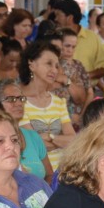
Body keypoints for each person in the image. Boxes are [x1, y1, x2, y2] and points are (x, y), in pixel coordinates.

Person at [18, 41, 76, 170]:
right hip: (37, 173)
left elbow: (73, 140)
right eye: (49, 64)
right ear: (31, 64)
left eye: (56, 66)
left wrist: (50, 137)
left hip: (63, 172)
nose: (54, 70)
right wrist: (61, 142)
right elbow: (32, 145)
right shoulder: (19, 102)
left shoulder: (58, 102)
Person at [0, 79, 52, 181]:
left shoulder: (33, 136)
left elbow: (49, 175)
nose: (18, 103)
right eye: (11, 99)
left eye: (21, 99)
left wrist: (43, 194)